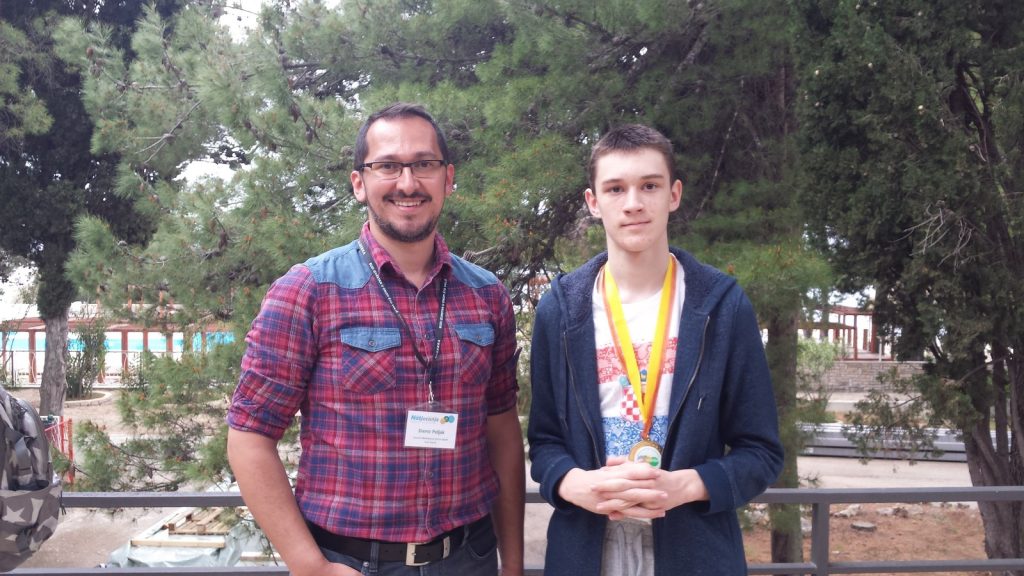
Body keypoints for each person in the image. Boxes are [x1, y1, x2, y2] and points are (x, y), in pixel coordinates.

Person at [227, 102, 525, 576]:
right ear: (359, 183)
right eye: (387, 166)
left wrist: (513, 565)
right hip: (350, 563)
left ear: (448, 179)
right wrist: (311, 567)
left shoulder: (487, 295)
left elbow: (502, 431)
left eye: (424, 164)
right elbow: (249, 437)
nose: (407, 183)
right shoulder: (307, 291)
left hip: (469, 558)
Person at [527, 124, 783, 576]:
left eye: (649, 185)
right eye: (615, 188)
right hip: (585, 551)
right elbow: (545, 442)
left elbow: (760, 452)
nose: (633, 203)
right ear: (593, 202)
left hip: (694, 553)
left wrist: (687, 485)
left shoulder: (721, 306)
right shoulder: (560, 311)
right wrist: (573, 483)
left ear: (674, 194)